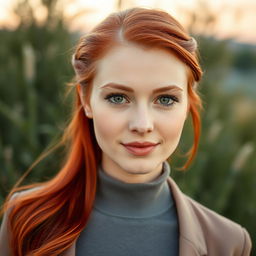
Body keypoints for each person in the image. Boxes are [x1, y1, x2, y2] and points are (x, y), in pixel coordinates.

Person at [0, 7, 252, 256]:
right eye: (118, 97)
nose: (142, 125)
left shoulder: (228, 243)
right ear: (86, 100)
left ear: (187, 104)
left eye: (165, 99)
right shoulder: (25, 222)